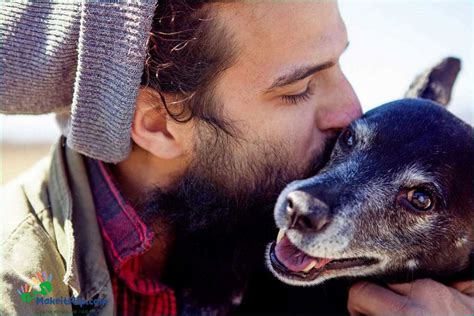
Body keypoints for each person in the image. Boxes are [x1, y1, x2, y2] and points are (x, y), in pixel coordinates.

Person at [1, 1, 472, 315]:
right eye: (298, 89)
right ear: (159, 125)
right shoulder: (25, 288)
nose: (351, 111)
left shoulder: (271, 210)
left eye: (339, 64)